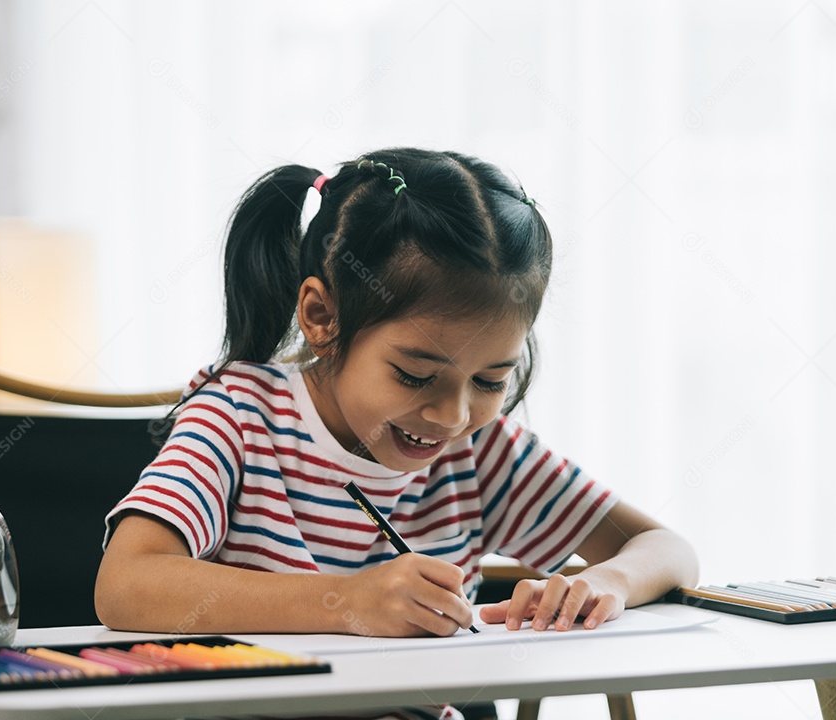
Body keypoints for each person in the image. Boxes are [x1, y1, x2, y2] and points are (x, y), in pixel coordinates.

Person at [95, 147, 698, 719]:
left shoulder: (480, 454)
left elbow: (669, 551)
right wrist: (347, 603)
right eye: (415, 375)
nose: (452, 416)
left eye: (490, 380)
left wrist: (600, 583)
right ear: (322, 317)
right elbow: (125, 584)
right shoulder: (240, 415)